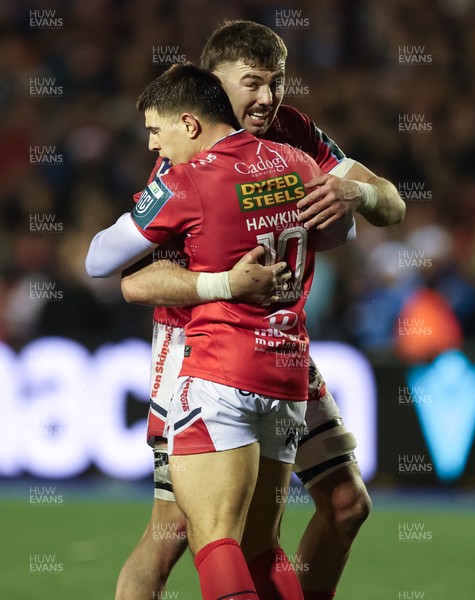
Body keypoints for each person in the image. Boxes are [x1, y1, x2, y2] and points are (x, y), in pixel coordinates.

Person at [107, 20, 405, 600]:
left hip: (281, 349)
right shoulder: (183, 160)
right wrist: (222, 284)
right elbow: (138, 278)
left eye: (277, 83)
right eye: (252, 84)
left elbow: (391, 203)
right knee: (174, 532)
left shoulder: (295, 133)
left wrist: (356, 193)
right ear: (214, 86)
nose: (268, 98)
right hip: (196, 351)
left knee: (345, 504)